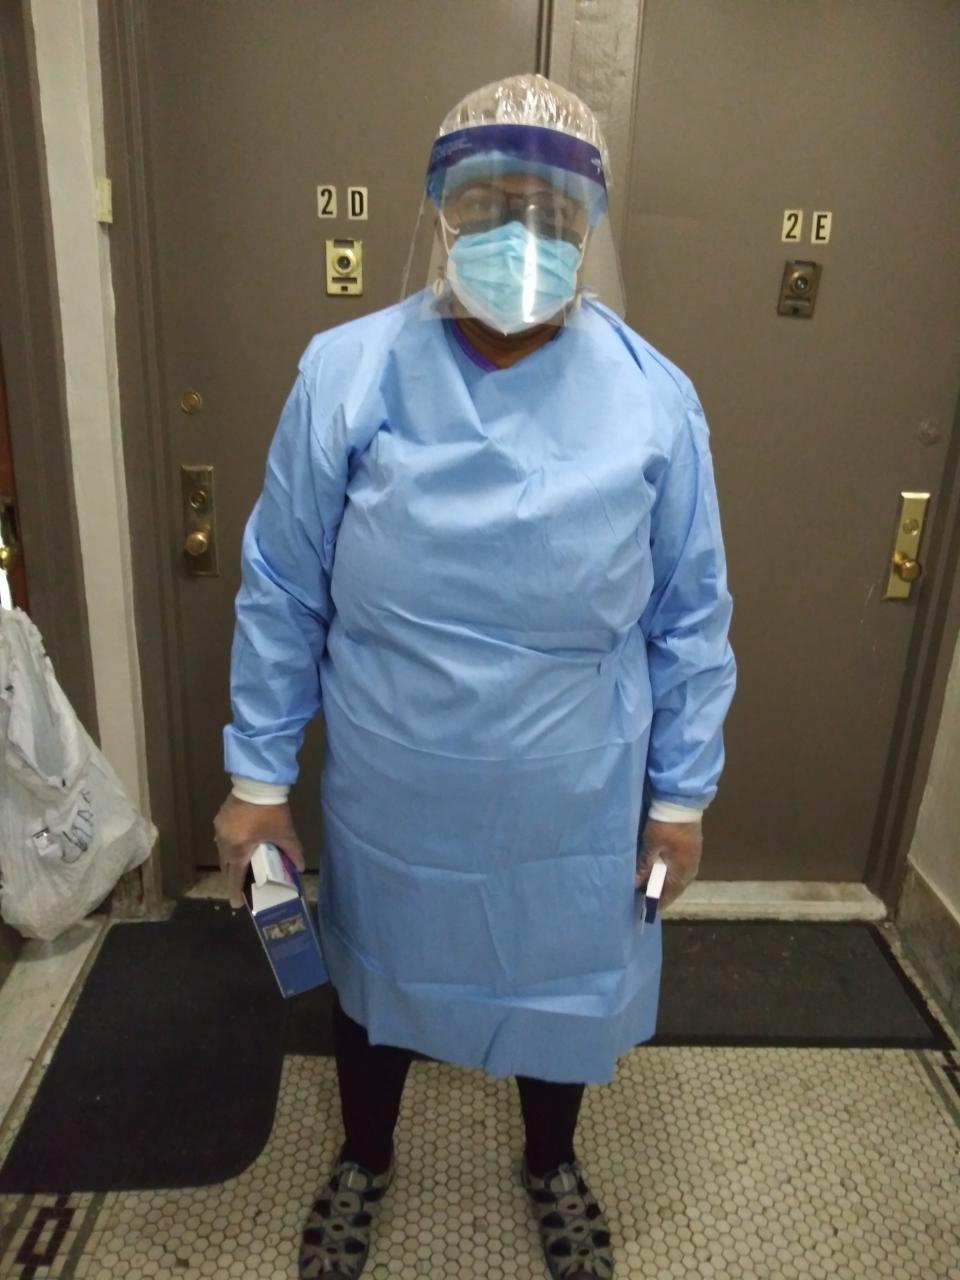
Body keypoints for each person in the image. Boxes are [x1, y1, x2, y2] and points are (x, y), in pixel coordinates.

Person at [214, 72, 736, 1280]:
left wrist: (680, 799)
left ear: (588, 232)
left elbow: (690, 615)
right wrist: (256, 775)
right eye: (494, 204)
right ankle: (365, 1152)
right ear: (442, 213)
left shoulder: (657, 402)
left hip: (576, 791)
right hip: (396, 779)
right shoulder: (347, 375)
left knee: (564, 978)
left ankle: (551, 1158)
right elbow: (284, 585)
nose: (522, 237)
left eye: (553, 215)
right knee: (374, 975)